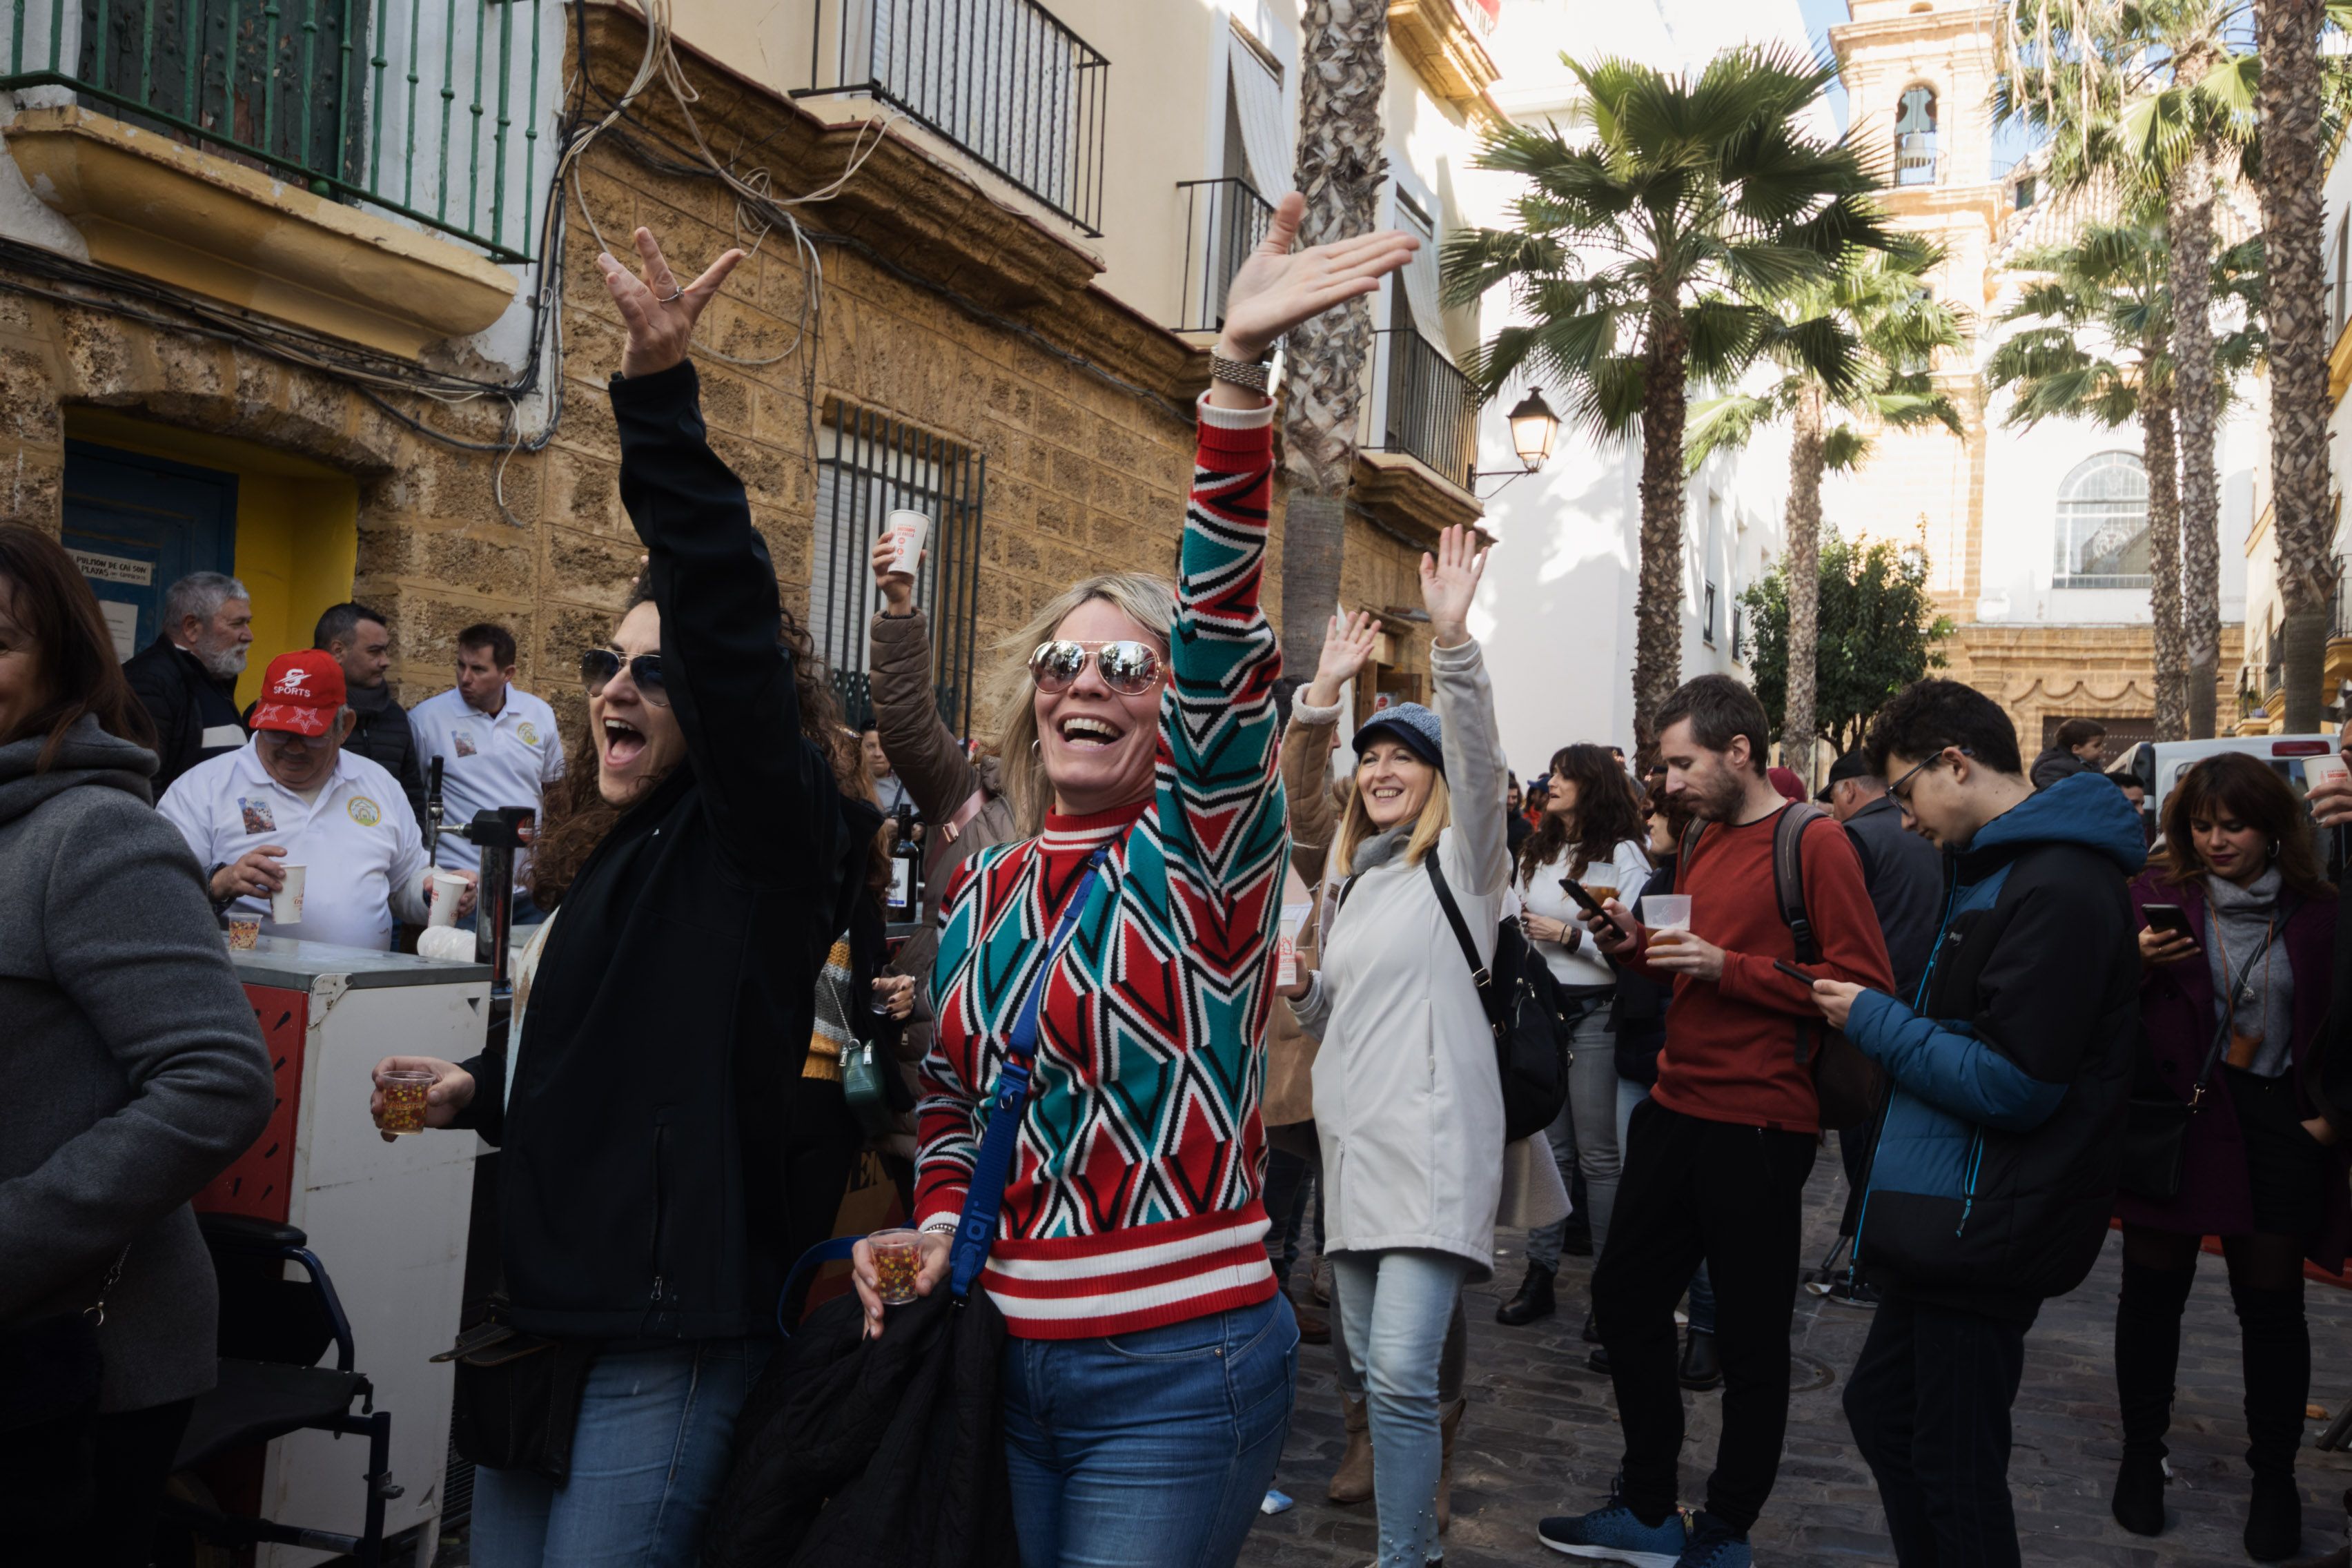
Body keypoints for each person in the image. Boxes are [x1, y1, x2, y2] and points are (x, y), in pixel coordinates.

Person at [850, 195, 1416, 1568]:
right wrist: (935, 1225)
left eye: (1125, 667)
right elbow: (948, 1095)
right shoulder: (984, 886)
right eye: (1062, 662)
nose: (1085, 682)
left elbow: (1224, 649)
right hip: (997, 1352)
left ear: (1170, 714)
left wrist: (1235, 383)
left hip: (1177, 1370)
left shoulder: (1201, 866)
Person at [362, 229, 852, 1568]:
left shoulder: (764, 831)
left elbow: (734, 629)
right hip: (543, 1307)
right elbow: (611, 1044)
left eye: (656, 667)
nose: (617, 686)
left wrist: (658, 397)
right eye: (603, 661)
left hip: (670, 1329)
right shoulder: (609, 845)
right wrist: (479, 1082)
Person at [1544, 674, 1894, 1568]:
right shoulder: (1699, 835)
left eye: (1680, 763)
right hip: (1674, 1108)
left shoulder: (1813, 840)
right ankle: (1652, 1507)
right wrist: (1638, 951)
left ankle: (1727, 1529)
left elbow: (1864, 989)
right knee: (1623, 1303)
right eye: (1663, 766)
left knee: (1748, 1339)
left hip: (1761, 1128)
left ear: (1740, 752)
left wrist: (1726, 965)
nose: (1665, 782)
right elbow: (1686, 968)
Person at [1804, 679, 2141, 1568]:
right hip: (1950, 1211)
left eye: (1906, 793)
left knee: (1953, 1464)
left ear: (1954, 764)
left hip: (1990, 1216)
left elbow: (2016, 1082)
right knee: (1886, 1415)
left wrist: (1874, 1020)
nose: (1905, 821)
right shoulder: (2003, 867)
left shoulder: (2059, 881)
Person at [1282, 527, 1567, 1568]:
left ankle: (1408, 1559)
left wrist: (1453, 642)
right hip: (1355, 1161)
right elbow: (1333, 1026)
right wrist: (1310, 994)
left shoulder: (1468, 868)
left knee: (1400, 1370)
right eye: (1373, 758)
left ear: (1438, 781)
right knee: (1366, 1367)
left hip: (1436, 1156)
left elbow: (1484, 766)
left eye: (1406, 755)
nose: (1382, 770)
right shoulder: (1355, 887)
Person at [0, 525, 273, 1567]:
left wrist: (15, 1235)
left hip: (65, 1370)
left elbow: (218, 1082)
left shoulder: (95, 836)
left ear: (64, 661)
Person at [2115, 752, 2349, 1561]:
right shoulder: (2152, 898)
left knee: (2273, 1313)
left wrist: (2330, 1122)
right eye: (2202, 825)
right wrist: (2129, 968)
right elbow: (2087, 1005)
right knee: (2151, 1299)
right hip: (2175, 1121)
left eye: (2235, 825)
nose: (2216, 841)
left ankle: (2274, 1482)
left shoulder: (2321, 913)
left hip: (2278, 1129)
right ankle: (2140, 1461)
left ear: (2273, 828)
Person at [159, 649, 474, 949]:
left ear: (345, 727)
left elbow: (404, 882)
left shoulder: (377, 784)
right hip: (247, 992)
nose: (293, 748)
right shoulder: (203, 788)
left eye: (310, 736)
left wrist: (434, 891)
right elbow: (156, 892)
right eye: (279, 732)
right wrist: (221, 882)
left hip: (359, 987)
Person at [1498, 743, 1651, 1332]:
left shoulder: (1622, 854)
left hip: (1596, 1013)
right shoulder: (1536, 848)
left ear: (1593, 784)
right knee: (1551, 1152)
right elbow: (1512, 916)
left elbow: (1634, 947)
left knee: (1599, 1158)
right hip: (1542, 1012)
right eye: (1553, 772)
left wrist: (1569, 936)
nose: (1552, 782)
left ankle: (1609, 1291)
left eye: (1565, 774)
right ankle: (1540, 1275)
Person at [1814, 745, 1948, 1305]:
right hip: (1923, 1010)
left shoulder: (1855, 839)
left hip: (1868, 1013)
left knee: (1864, 1141)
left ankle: (1870, 1265)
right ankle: (1881, 1260)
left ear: (1847, 791)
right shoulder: (1929, 834)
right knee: (1896, 1143)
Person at [1614, 781, 1721, 1393]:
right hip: (1635, 1049)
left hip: (1673, 1053)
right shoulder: (1657, 878)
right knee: (1643, 1197)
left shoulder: (1697, 880)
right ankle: (1642, 1319)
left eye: (1657, 815)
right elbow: (1645, 962)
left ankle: (1706, 1328)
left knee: (1690, 1206)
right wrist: (1618, 940)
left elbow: (1686, 972)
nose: (1647, 820)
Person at [407, 620, 563, 916]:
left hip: (526, 893)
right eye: (460, 665)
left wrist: (548, 867)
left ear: (508, 674)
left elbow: (555, 790)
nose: (465, 678)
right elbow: (411, 803)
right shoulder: (427, 719)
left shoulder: (538, 713)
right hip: (461, 892)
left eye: (478, 670)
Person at [123, 569, 252, 795]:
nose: (248, 635)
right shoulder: (148, 683)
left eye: (248, 623)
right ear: (192, 627)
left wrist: (258, 828)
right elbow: (142, 785)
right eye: (237, 624)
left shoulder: (216, 679)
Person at [314, 602, 427, 819]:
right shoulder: (296, 712)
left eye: (385, 650)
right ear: (338, 651)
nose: (386, 662)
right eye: (374, 651)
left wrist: (414, 846)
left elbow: (412, 795)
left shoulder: (394, 716)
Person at [2030, 716, 2107, 790]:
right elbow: (2061, 794)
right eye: (2096, 746)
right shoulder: (2051, 769)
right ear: (2076, 749)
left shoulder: (2091, 763)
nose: (2101, 749)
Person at [859, 721, 914, 818]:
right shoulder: (851, 788)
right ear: (859, 748)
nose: (877, 754)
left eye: (883, 747)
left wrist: (921, 826)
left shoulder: (910, 785)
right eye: (870, 746)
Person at [1506, 776, 1533, 855]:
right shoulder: (1490, 823)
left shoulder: (1525, 826)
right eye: (1507, 797)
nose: (1510, 801)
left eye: (1514, 797)